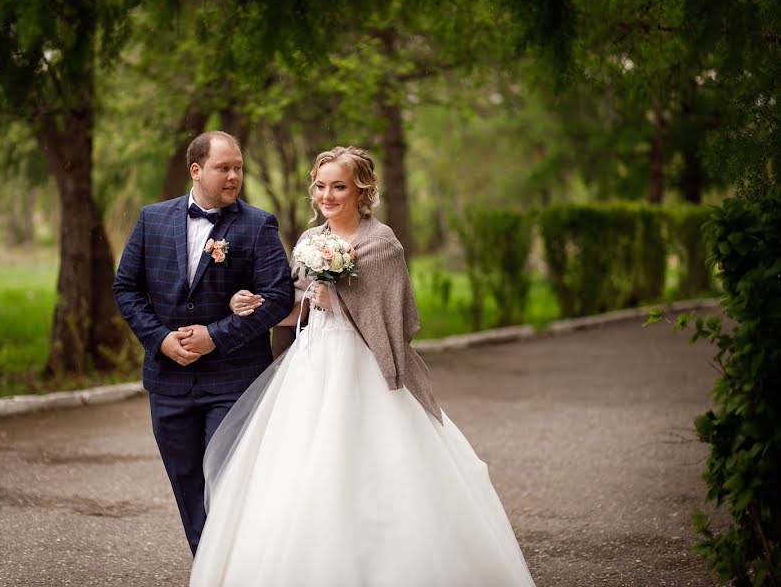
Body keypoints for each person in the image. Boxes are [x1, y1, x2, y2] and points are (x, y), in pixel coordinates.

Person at [189, 146, 536, 586]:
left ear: (361, 189)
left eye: (339, 186)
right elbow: (298, 310)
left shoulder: (381, 243)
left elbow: (394, 317)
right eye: (320, 186)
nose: (327, 195)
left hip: (366, 366)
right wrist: (251, 305)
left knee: (380, 464)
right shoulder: (311, 242)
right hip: (313, 367)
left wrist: (338, 300)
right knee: (302, 469)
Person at [112, 131, 294, 555]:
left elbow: (278, 296)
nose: (234, 177)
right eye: (223, 168)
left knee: (227, 479)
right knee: (187, 483)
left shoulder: (258, 224)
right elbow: (126, 288)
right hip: (168, 381)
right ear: (196, 170)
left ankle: (237, 567)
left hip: (232, 382)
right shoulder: (151, 219)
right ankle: (209, 566)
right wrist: (159, 340)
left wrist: (215, 336)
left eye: (239, 168)